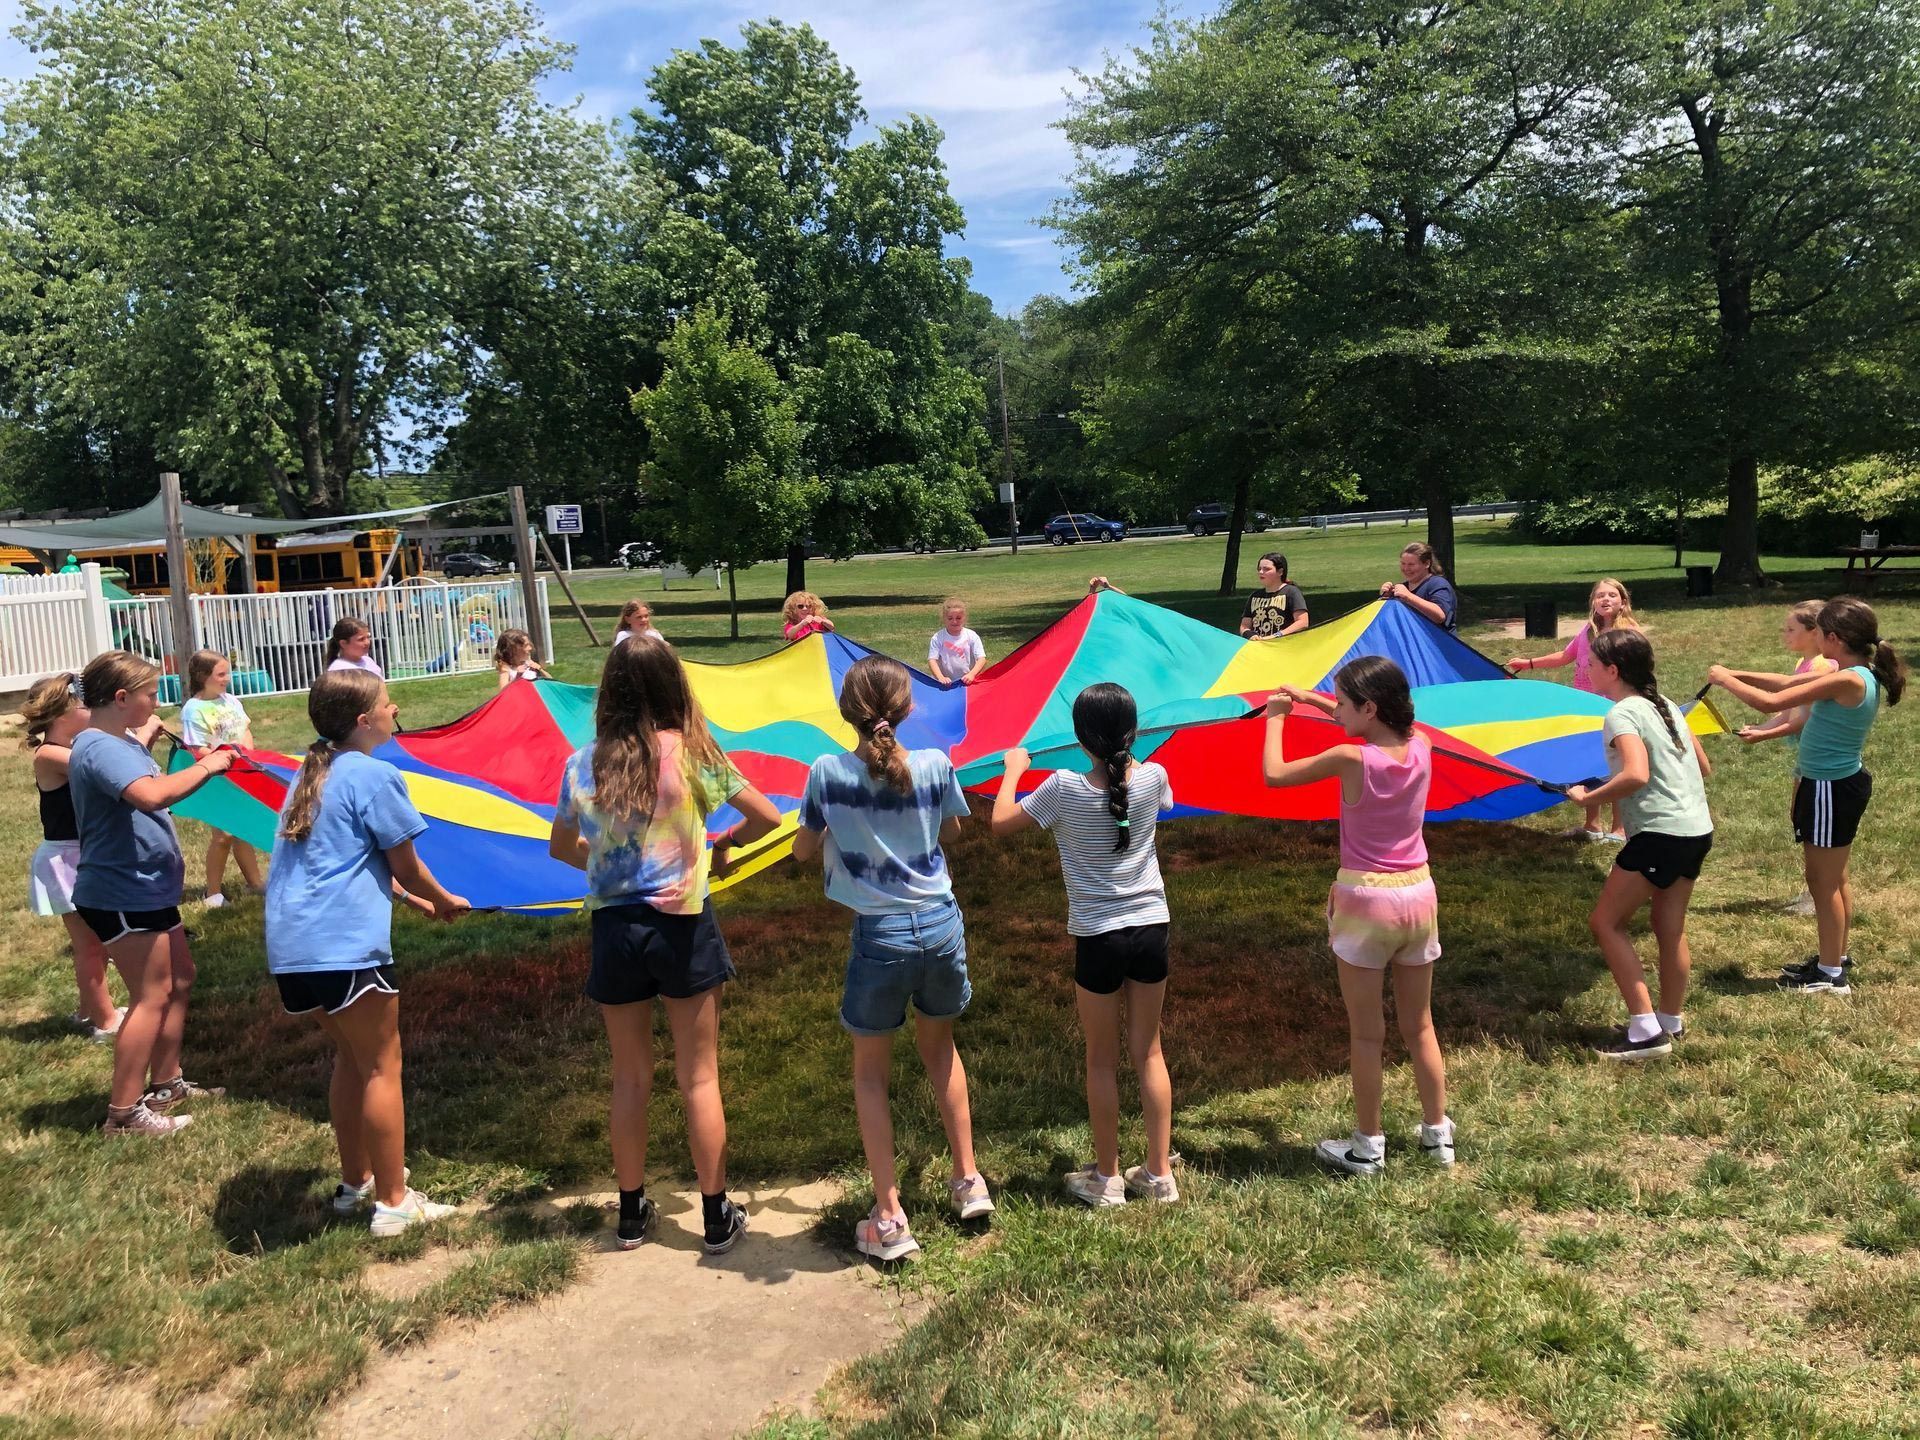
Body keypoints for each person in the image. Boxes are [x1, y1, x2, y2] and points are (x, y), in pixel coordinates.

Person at [548, 636, 782, 1253]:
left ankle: (630, 1215)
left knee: (629, 1079)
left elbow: (559, 846)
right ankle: (713, 1215)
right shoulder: (695, 755)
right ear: (673, 685)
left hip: (613, 930)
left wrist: (606, 863)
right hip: (682, 925)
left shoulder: (583, 763)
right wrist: (723, 845)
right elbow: (768, 817)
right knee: (699, 1078)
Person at [792, 657, 994, 1260]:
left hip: (878, 938)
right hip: (941, 928)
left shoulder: (826, 773)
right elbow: (953, 833)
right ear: (907, 712)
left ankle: (888, 1215)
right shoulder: (935, 766)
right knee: (942, 1049)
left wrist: (843, 831)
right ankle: (968, 1181)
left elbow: (803, 851)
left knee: (870, 1074)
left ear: (846, 713)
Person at [265, 670, 469, 1235]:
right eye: (386, 702)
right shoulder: (376, 775)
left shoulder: (312, 772)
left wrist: (410, 902)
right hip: (344, 946)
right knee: (382, 1065)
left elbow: (344, 858)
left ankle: (356, 1185)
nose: (394, 706)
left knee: (352, 1061)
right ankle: (395, 1204)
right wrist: (445, 898)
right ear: (364, 721)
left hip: (295, 946)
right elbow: (404, 862)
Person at [1261, 660, 1454, 1173]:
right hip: (1419, 894)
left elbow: (1274, 775)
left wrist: (1277, 716)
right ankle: (1438, 1135)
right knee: (1421, 1025)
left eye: (1343, 702)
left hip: (1366, 902)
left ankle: (1367, 1146)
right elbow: (1368, 721)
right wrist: (1315, 698)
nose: (1337, 709)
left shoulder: (1351, 758)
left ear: (1369, 709)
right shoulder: (1423, 746)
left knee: (1368, 1034)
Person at [991, 684, 1180, 1208]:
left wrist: (1012, 769)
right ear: (1134, 731)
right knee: (1150, 1051)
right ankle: (1159, 1174)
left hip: (1099, 936)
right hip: (1152, 929)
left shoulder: (1065, 787)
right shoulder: (1155, 777)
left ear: (1078, 738)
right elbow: (1150, 792)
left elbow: (1000, 823)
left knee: (1101, 1059)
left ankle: (1106, 1178)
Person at [68, 651, 235, 1135]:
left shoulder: (115, 739)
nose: (157, 702)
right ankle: (123, 1114)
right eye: (149, 693)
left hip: (146, 888)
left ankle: (167, 1084)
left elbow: (133, 762)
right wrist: (211, 765)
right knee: (151, 995)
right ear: (121, 698)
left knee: (179, 978)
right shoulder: (100, 748)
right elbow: (150, 795)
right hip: (122, 892)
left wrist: (144, 735)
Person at [1708, 597, 1905, 995]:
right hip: (1833, 785)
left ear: (1832, 638)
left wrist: (1724, 680)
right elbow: (1784, 683)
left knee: (1822, 883)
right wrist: (1731, 671)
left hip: (1830, 789)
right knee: (1835, 878)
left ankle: (1831, 975)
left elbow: (1771, 701)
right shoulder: (1852, 671)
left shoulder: (1848, 680)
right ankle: (1836, 956)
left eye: (1819, 633)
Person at [1567, 630, 1714, 1058]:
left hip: (1659, 835)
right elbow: (1703, 766)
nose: (1587, 670)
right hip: (1696, 831)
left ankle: (1645, 1031)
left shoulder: (1622, 713)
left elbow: (1636, 774)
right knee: (1670, 929)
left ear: (1613, 670)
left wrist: (1587, 798)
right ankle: (1670, 1020)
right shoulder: (1666, 705)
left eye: (1592, 664)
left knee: (1605, 923)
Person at [22, 674, 121, 1041]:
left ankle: (87, 1010)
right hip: (67, 861)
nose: (92, 710)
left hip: (84, 855)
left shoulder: (75, 745)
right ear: (59, 716)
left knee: (98, 944)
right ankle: (105, 1021)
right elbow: (99, 767)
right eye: (84, 706)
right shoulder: (51, 754)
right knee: (91, 947)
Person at [1508, 578, 1641, 842]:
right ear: (1593, 602)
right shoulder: (1587, 631)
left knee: (1615, 767)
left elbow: (1638, 669)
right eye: (1600, 595)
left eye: (1612, 595)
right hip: (1585, 708)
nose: (1605, 599)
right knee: (1589, 766)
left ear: (1623, 602)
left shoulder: (1629, 634)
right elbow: (1565, 656)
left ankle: (1620, 828)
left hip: (1615, 707)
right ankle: (1592, 825)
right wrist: (1528, 663)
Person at [1734, 600, 1836, 917]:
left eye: (1791, 629)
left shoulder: (1821, 668)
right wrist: (1760, 728)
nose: (1785, 634)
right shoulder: (1804, 665)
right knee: (1801, 819)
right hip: (1808, 757)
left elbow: (1802, 720)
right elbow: (1788, 711)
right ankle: (1814, 890)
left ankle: (1817, 894)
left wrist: (1764, 735)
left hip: (1822, 761)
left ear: (1814, 631)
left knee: (1813, 828)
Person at [179, 649, 266, 906]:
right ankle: (212, 893)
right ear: (203, 676)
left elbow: (245, 729)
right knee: (223, 834)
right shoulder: (194, 709)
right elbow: (196, 749)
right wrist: (226, 761)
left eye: (227, 672)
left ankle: (255, 882)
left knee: (242, 830)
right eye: (221, 674)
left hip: (241, 773)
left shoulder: (231, 701)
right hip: (217, 777)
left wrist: (247, 756)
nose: (227, 678)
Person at [1380, 542, 1458, 633]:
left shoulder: (1437, 584)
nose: (1406, 568)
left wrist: (1409, 597)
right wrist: (1385, 598)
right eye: (1403, 563)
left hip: (1437, 644)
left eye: (1411, 564)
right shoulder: (1403, 589)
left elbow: (1440, 616)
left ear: (1427, 564)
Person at [1240, 553, 1310, 640]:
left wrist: (1275, 636)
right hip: (1259, 648)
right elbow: (1244, 626)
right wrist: (1249, 634)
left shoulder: (1291, 592)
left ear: (1280, 572)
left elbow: (1303, 622)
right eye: (1259, 569)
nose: (1261, 572)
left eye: (1266, 569)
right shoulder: (1255, 596)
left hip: (1283, 647)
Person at [927, 599, 988, 686]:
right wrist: (940, 677)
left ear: (964, 618)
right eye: (950, 618)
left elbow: (982, 659)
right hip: (945, 683)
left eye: (958, 618)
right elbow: (932, 660)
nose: (954, 621)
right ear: (944, 619)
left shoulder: (972, 636)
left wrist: (971, 674)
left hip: (968, 681)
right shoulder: (937, 638)